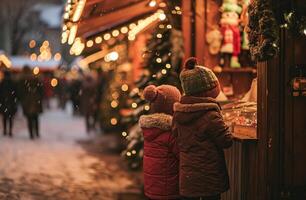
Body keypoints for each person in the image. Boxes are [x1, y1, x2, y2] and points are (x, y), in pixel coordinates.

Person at [173, 57, 233, 200]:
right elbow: (226, 141)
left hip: (188, 175)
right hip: (209, 177)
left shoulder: (178, 113)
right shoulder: (210, 115)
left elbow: (176, 136)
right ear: (206, 91)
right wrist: (228, 126)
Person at [139, 85, 181, 200]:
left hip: (152, 188)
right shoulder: (170, 133)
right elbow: (182, 154)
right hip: (168, 190)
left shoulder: (149, 130)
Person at [19, 66, 44, 139]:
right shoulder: (35, 79)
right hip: (36, 101)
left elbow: (20, 92)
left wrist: (22, 99)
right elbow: (41, 90)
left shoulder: (22, 80)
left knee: (29, 118)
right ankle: (36, 132)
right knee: (35, 117)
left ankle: (31, 134)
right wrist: (39, 98)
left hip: (27, 102)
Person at [0, 70, 18, 137]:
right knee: (10, 118)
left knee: (5, 117)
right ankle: (10, 131)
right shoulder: (12, 83)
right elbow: (16, 94)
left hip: (4, 102)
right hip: (11, 103)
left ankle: (5, 130)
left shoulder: (2, 83)